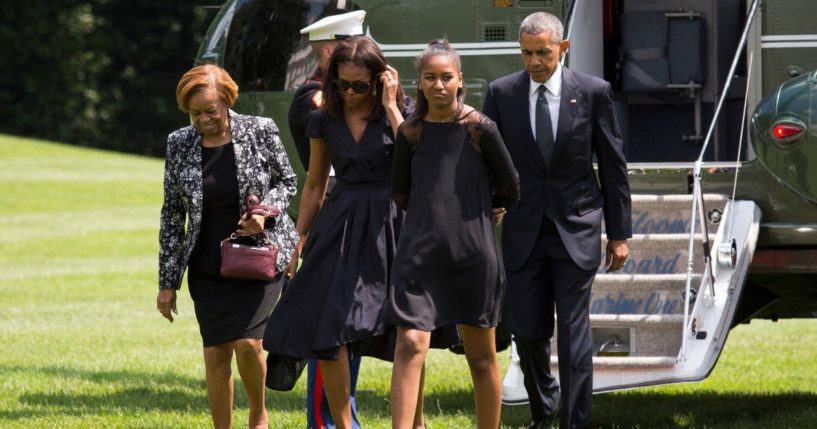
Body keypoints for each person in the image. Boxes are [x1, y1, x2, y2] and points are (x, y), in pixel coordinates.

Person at [482, 12, 632, 429]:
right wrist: (492, 200)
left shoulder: (593, 92)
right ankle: (544, 408)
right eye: (527, 53)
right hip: (524, 230)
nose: (533, 62)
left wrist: (619, 234)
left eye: (543, 53)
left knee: (572, 333)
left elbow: (613, 167)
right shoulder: (501, 93)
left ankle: (575, 422)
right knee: (527, 332)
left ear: (562, 48)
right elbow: (490, 160)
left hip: (577, 228)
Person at [263, 36, 421, 428]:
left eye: (360, 85)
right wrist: (297, 240)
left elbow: (418, 163)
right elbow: (315, 184)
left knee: (410, 334)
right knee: (330, 331)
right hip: (343, 224)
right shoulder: (323, 120)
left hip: (394, 223)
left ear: (381, 79)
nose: (349, 93)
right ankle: (343, 425)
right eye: (342, 84)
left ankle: (415, 424)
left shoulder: (404, 113)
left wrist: (389, 106)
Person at [156, 64, 299, 429]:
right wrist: (167, 283)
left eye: (210, 111)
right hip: (207, 264)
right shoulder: (179, 143)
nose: (203, 119)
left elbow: (287, 181)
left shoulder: (259, 130)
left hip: (259, 256)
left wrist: (265, 213)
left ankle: (258, 415)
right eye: (195, 113)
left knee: (249, 345)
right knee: (216, 352)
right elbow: (173, 215)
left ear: (226, 101)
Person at [388, 40, 520, 429]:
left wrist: (488, 205)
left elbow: (510, 186)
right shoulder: (410, 133)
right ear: (420, 81)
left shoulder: (481, 127)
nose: (439, 85)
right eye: (430, 77)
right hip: (419, 255)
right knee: (410, 343)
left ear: (460, 79)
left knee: (481, 357)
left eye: (447, 77)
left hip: (473, 257)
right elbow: (401, 193)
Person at [287, 11, 366, 429]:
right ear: (333, 51)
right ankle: (326, 421)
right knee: (329, 323)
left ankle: (342, 414)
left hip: (364, 214)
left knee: (353, 324)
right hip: (334, 212)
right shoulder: (312, 98)